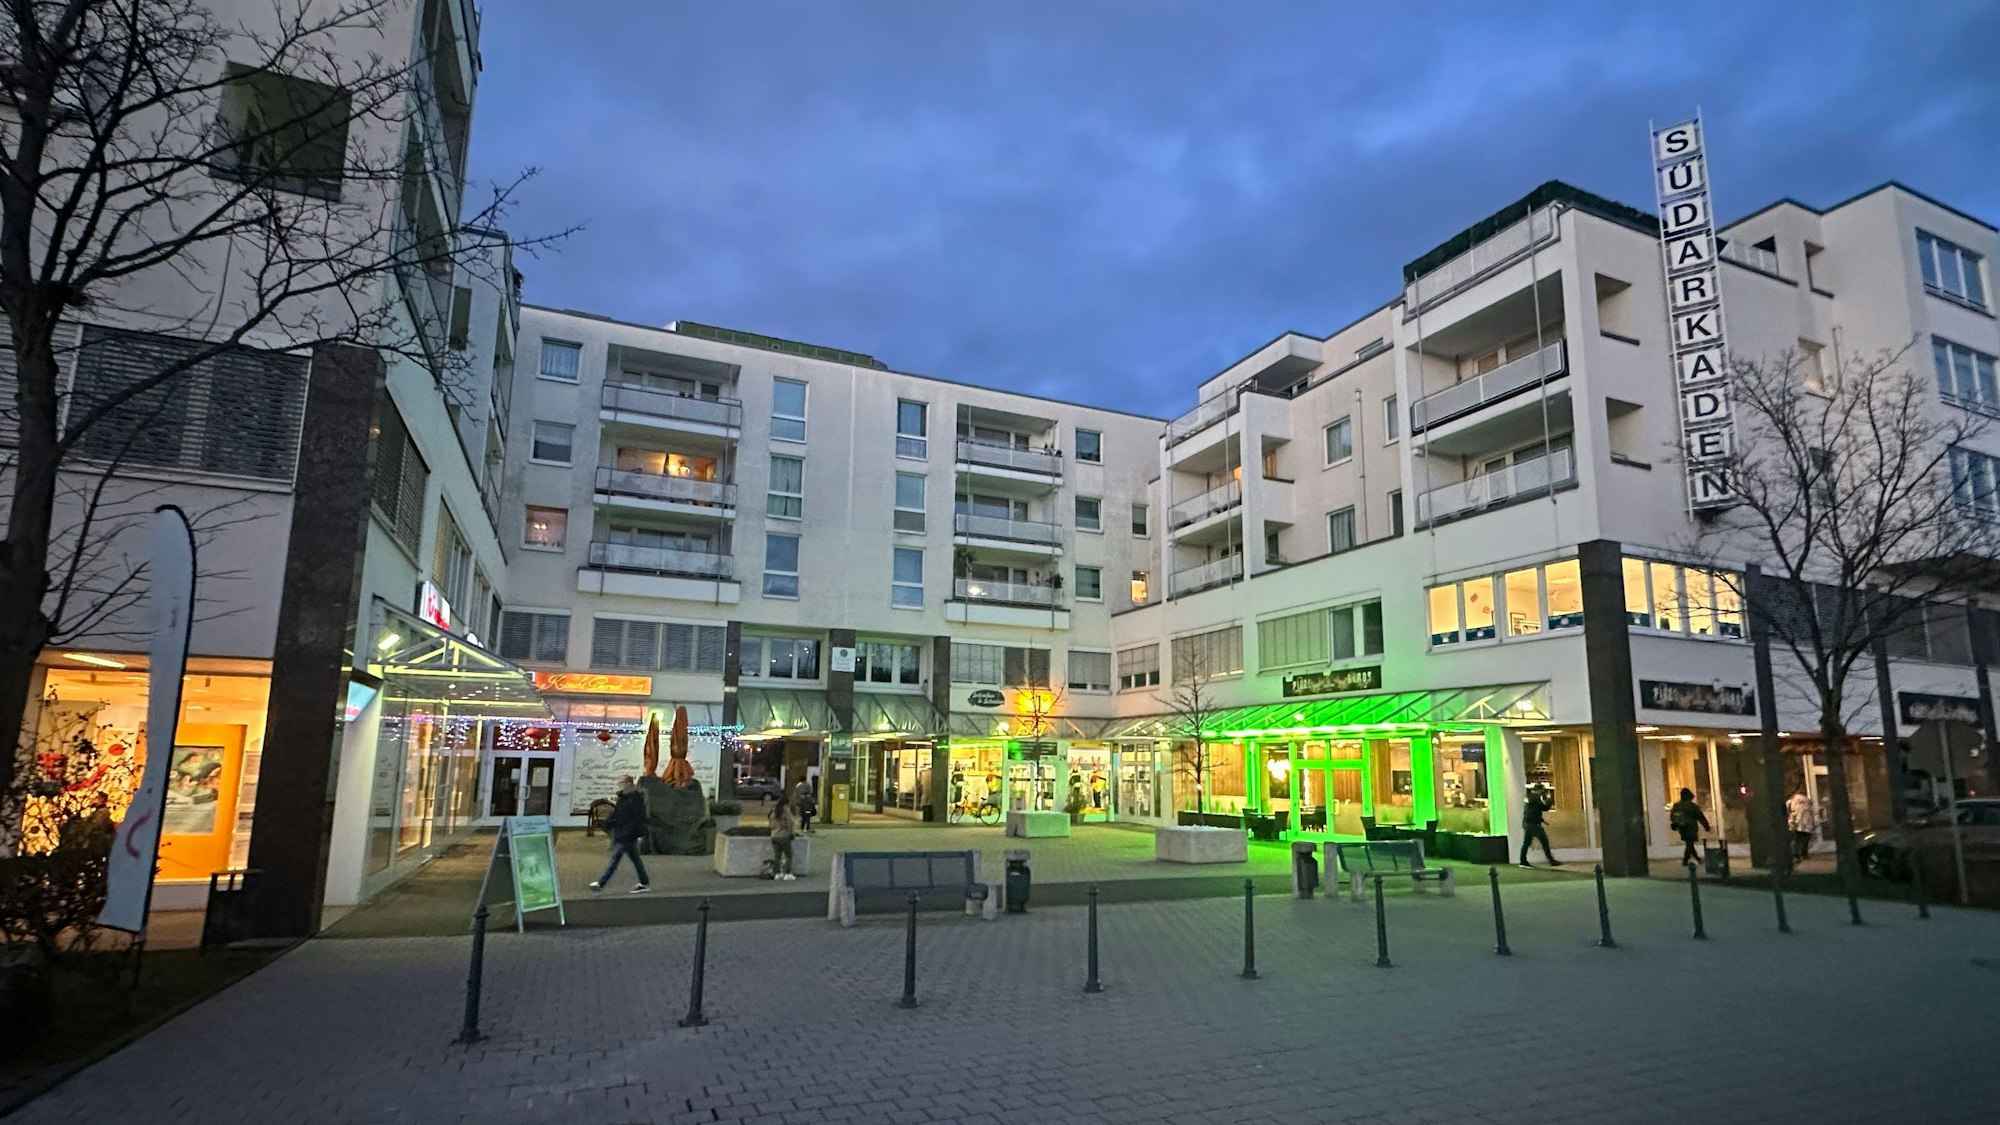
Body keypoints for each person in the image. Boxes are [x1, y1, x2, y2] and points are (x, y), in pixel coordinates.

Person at [589, 777, 650, 893]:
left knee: (615, 859)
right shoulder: (625, 797)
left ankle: (601, 883)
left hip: (627, 834)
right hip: (624, 832)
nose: (619, 785)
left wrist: (638, 833)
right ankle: (644, 882)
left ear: (628, 783)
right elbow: (619, 814)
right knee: (635, 859)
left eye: (621, 783)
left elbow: (639, 817)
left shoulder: (634, 798)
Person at [1518, 785, 1561, 867]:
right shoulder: (1535, 797)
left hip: (1527, 822)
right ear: (1539, 790)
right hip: (1534, 824)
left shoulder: (1529, 796)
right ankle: (1551, 861)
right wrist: (1549, 800)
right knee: (1544, 841)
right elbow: (1544, 808)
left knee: (1526, 842)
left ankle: (1522, 861)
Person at [1669, 787, 1711, 868]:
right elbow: (1700, 817)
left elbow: (1673, 817)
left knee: (1689, 843)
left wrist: (1676, 824)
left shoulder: (1677, 806)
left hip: (1682, 827)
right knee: (1689, 843)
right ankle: (1686, 860)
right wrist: (1706, 826)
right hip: (1691, 827)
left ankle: (1696, 859)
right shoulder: (1692, 806)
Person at [768, 793, 798, 881]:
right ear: (786, 803)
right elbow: (789, 824)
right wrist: (791, 833)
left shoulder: (773, 812)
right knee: (788, 855)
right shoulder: (785, 812)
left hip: (774, 836)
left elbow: (770, 825)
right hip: (784, 836)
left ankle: (777, 873)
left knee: (777, 855)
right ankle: (787, 874)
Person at [1786, 789, 1816, 862]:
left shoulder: (1791, 802)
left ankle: (1795, 855)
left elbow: (1790, 811)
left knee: (1796, 840)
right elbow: (1811, 813)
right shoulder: (1808, 802)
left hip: (1796, 823)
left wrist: (1791, 821)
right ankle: (1804, 854)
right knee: (1805, 840)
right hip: (1807, 824)